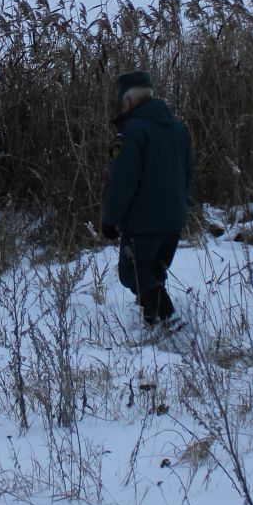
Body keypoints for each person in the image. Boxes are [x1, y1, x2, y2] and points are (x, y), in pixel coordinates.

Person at [101, 70, 193, 331]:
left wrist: (111, 219)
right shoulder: (177, 129)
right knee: (153, 272)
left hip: (143, 222)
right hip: (173, 219)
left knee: (133, 273)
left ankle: (170, 319)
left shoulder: (131, 132)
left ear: (129, 101)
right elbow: (187, 173)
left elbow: (122, 180)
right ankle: (154, 323)